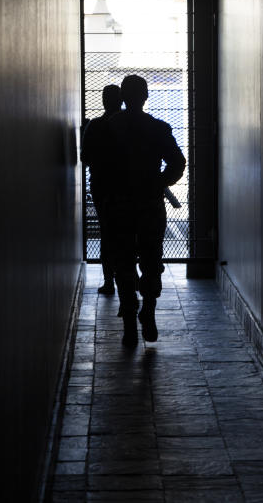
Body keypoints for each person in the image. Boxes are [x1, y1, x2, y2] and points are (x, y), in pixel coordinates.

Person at [102, 74, 186, 348]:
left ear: (122, 98)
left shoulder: (107, 129)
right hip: (150, 205)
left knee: (123, 262)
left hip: (118, 206)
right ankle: (148, 308)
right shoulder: (158, 128)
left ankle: (129, 324)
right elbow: (177, 162)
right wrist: (159, 182)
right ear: (146, 96)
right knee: (151, 260)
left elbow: (97, 169)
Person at [80, 84, 123, 295]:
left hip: (102, 186)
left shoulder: (95, 126)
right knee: (129, 232)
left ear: (104, 101)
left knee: (107, 232)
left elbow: (85, 157)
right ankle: (130, 276)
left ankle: (109, 280)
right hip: (128, 186)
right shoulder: (132, 124)